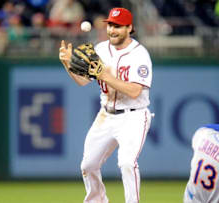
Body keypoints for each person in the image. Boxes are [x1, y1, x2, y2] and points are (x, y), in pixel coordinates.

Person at [59, 7, 153, 203]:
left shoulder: (139, 54)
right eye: (110, 25)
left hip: (133, 116)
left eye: (118, 26)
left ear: (129, 28)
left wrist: (105, 76)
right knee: (88, 165)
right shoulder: (100, 49)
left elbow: (136, 91)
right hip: (106, 115)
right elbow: (83, 81)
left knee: (127, 163)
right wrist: (68, 64)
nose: (112, 30)